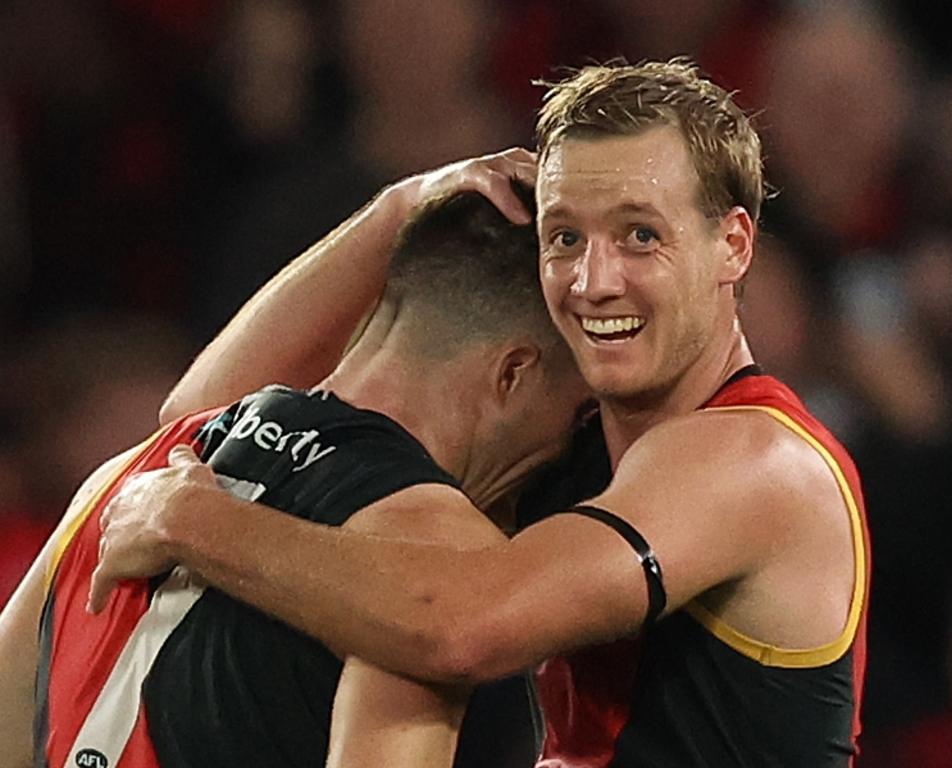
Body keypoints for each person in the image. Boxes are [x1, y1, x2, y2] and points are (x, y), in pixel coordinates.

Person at [87, 60, 871, 766]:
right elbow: (203, 419)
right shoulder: (567, 445)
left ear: (733, 245)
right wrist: (402, 209)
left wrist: (196, 522)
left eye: (640, 235)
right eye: (566, 237)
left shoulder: (756, 461)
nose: (593, 280)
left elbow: (463, 629)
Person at [0, 167, 591, 768]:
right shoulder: (433, 564)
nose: (569, 445)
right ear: (513, 373)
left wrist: (398, 207)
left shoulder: (129, 478)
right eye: (578, 410)